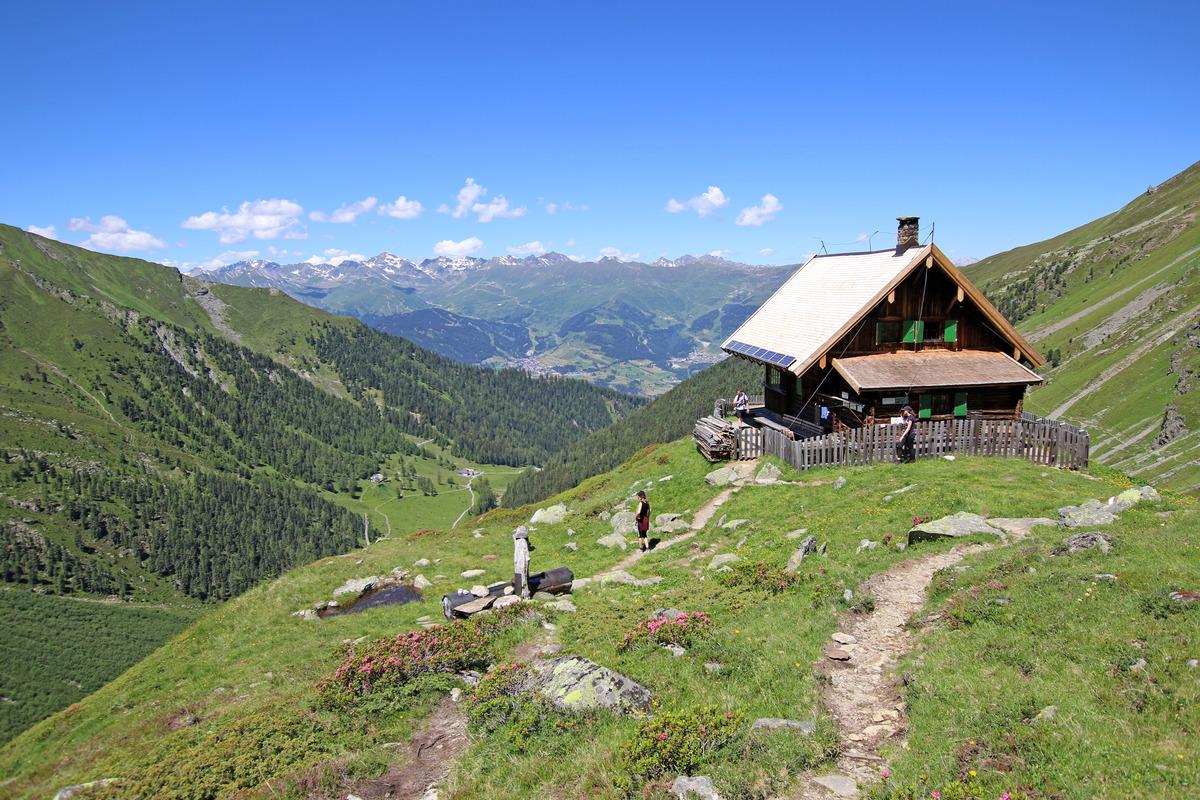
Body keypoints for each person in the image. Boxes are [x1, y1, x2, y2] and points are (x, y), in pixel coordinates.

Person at [512, 526, 534, 598]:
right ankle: (522, 593)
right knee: (521, 570)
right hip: (520, 563)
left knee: (521, 570)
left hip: (520, 563)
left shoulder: (521, 541)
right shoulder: (521, 541)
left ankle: (522, 593)